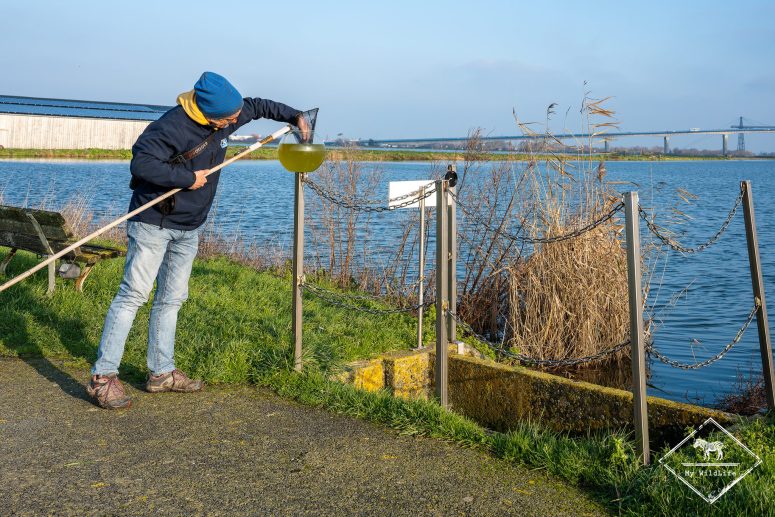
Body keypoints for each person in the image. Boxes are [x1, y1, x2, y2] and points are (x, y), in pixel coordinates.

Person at [87, 71, 309, 409]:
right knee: (133, 296)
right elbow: (141, 164)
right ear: (207, 112)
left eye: (236, 115)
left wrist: (294, 115)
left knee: (172, 299)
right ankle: (103, 378)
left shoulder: (228, 114)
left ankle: (161, 373)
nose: (237, 120)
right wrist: (186, 178)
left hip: (190, 226)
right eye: (230, 118)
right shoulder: (170, 127)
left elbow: (258, 105)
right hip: (153, 223)